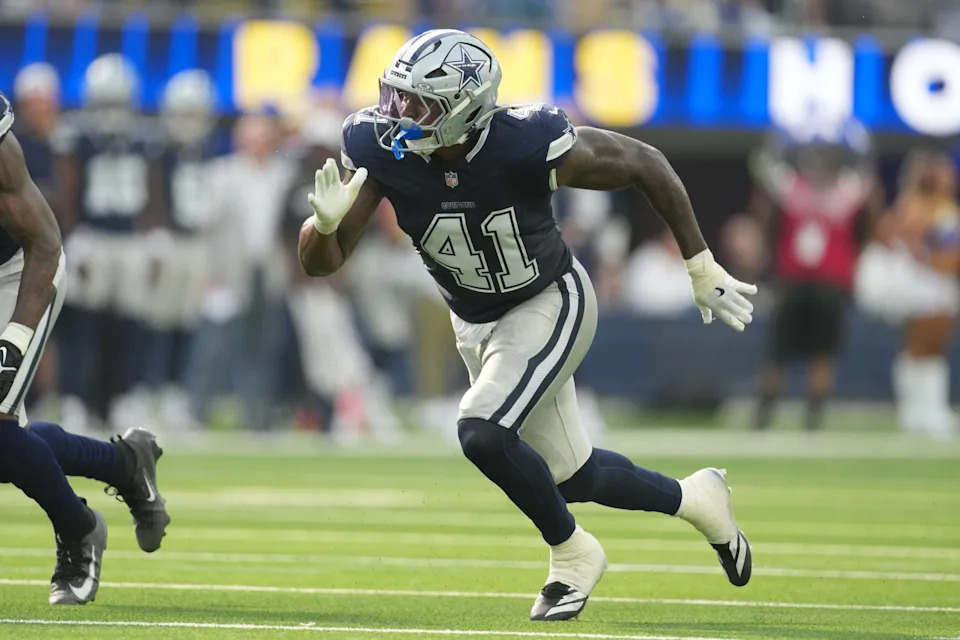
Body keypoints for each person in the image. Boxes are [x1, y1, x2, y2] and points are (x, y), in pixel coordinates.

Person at [298, 30, 755, 621]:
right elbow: (322, 264)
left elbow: (646, 162)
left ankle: (572, 554)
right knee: (569, 476)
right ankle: (698, 499)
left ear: (464, 107)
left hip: (548, 300)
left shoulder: (524, 141)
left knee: (481, 429)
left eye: (416, 104)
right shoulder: (378, 146)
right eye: (395, 96)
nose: (396, 114)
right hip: (477, 322)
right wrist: (322, 228)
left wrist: (700, 264)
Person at [0, 91, 169, 605]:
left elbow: (45, 242)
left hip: (20, 273)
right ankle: (123, 464)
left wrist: (15, 339)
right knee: (11, 442)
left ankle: (78, 528)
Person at [750, 120, 874, 431]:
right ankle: (806, 419)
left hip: (803, 282)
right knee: (805, 353)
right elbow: (867, 182)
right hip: (818, 282)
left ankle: (775, 415)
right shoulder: (843, 193)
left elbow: (764, 168)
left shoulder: (795, 189)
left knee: (794, 353)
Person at [856, 151, 960, 439]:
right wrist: (923, 257)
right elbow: (897, 239)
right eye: (944, 174)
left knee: (924, 349)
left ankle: (921, 413)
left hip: (931, 282)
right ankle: (924, 413)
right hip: (926, 283)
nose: (950, 178)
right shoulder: (926, 207)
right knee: (926, 348)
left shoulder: (928, 205)